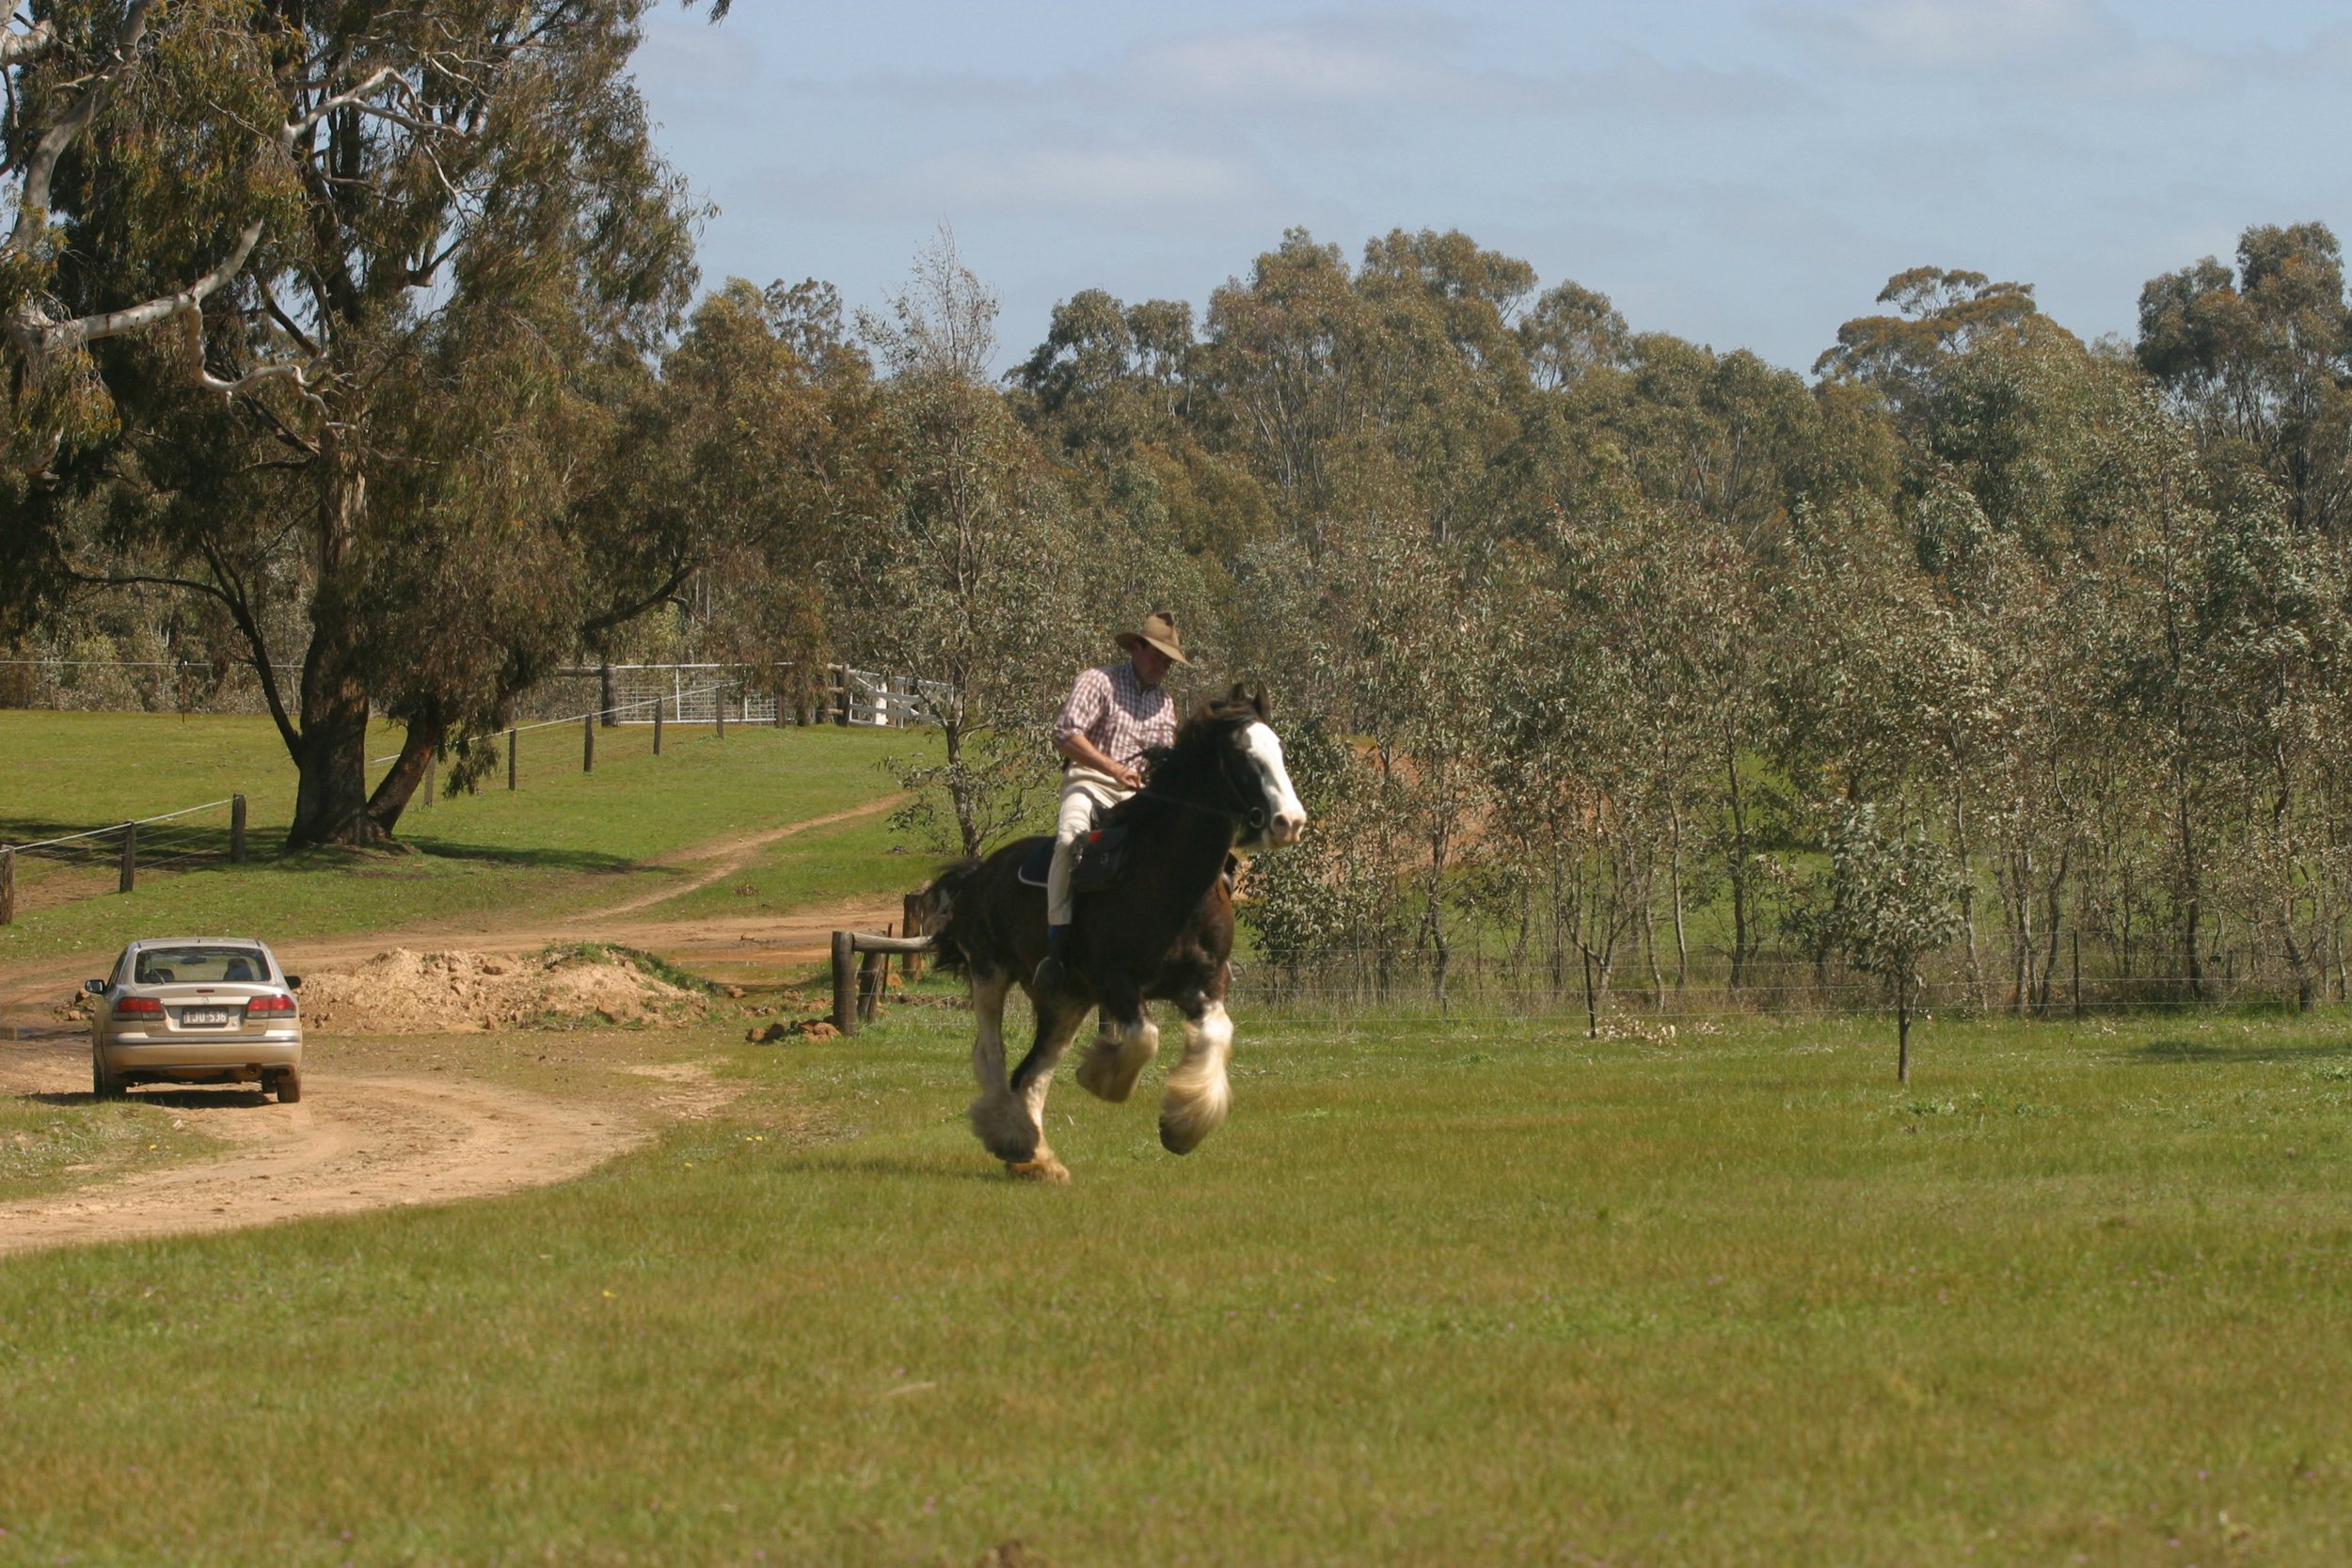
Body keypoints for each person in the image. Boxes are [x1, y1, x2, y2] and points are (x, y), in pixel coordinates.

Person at [1034, 610, 1190, 990]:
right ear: (1136, 647)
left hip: (1141, 797)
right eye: (1156, 655)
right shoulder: (1098, 681)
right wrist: (1115, 769)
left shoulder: (1166, 704)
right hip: (1090, 783)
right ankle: (1057, 951)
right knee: (1069, 843)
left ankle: (1184, 950)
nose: (1162, 665)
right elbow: (1065, 734)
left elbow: (1164, 759)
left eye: (1168, 661)